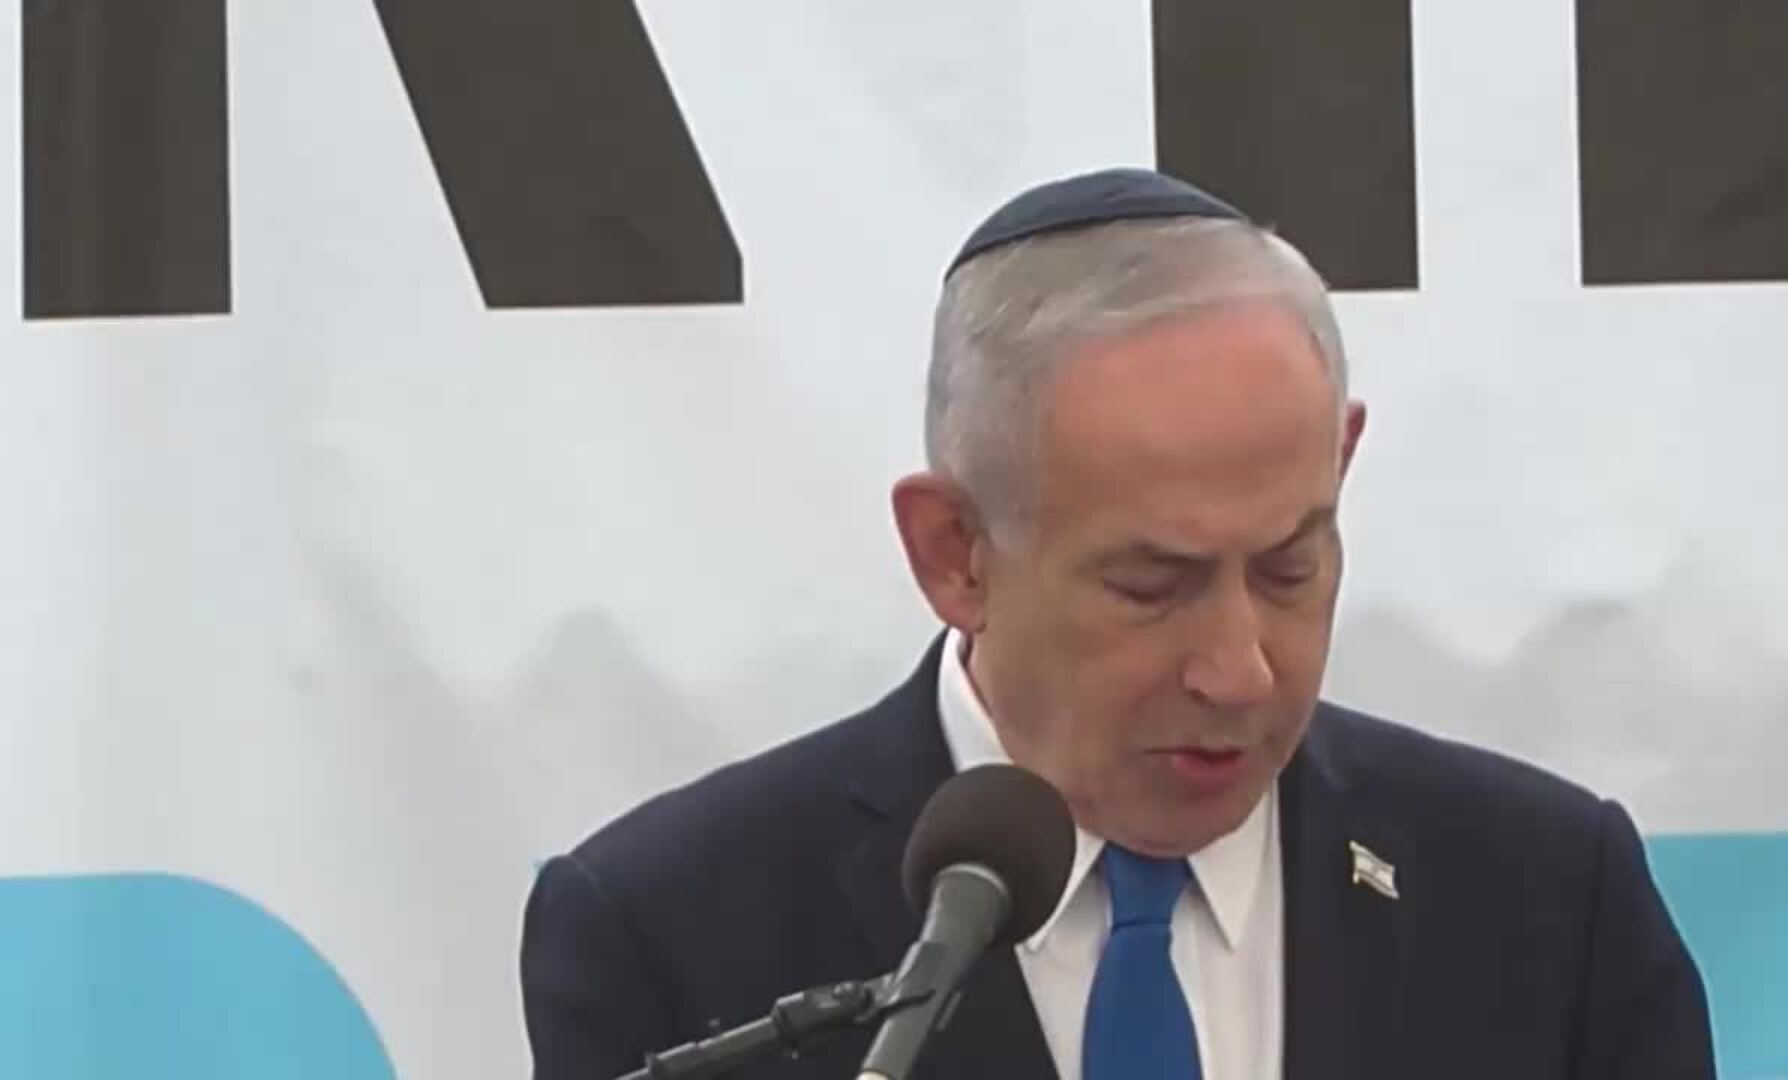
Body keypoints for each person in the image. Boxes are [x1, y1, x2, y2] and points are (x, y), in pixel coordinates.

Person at [518, 167, 1716, 1079]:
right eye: (1153, 586)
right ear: (955, 553)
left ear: (1341, 461)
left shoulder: (1545, 898)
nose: (1240, 672)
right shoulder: (672, 936)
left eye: (1290, 567)